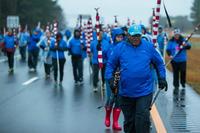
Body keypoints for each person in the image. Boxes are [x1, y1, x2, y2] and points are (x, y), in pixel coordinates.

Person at [105, 24, 167, 133]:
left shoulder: (148, 47)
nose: (135, 38)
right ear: (128, 35)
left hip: (144, 91)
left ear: (141, 35)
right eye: (133, 36)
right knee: (130, 121)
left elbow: (159, 63)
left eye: (138, 36)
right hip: (125, 92)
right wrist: (110, 79)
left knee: (142, 119)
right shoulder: (120, 48)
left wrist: (162, 77)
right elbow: (110, 65)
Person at [104, 27, 124, 131]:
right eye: (118, 37)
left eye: (121, 36)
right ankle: (107, 117)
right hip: (111, 77)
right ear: (114, 37)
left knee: (119, 99)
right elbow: (105, 60)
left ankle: (115, 122)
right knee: (111, 98)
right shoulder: (109, 48)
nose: (120, 38)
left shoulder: (125, 48)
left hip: (121, 77)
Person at [166, 28, 191, 94]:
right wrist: (170, 55)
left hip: (182, 59)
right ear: (174, 34)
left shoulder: (183, 40)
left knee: (183, 71)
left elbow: (189, 46)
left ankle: (183, 83)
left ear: (179, 34)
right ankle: (176, 85)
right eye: (175, 34)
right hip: (174, 60)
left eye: (178, 34)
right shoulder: (171, 41)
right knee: (175, 72)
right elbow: (168, 49)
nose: (176, 36)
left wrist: (186, 45)